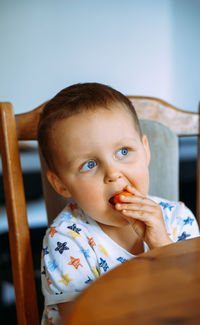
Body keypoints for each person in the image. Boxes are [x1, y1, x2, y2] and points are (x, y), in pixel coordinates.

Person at [38, 83, 200, 324]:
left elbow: (192, 295)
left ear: (145, 151)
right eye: (89, 165)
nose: (113, 173)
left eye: (123, 151)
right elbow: (79, 317)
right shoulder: (65, 239)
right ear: (61, 184)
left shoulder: (179, 218)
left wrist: (162, 247)